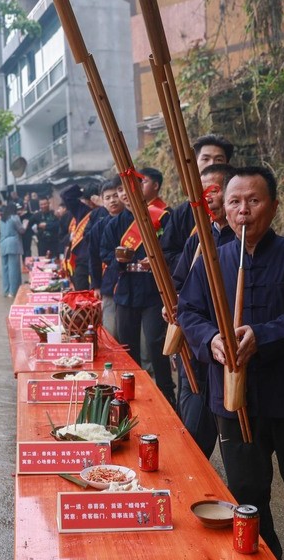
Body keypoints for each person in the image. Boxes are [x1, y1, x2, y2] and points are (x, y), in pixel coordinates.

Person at [178, 166, 284, 560]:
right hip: (235, 403)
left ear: (273, 205)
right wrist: (210, 340)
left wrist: (263, 336)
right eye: (235, 202)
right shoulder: (211, 260)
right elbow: (189, 311)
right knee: (247, 499)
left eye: (254, 201)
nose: (243, 211)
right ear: (223, 208)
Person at [170, 163, 237, 459]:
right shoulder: (198, 237)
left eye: (214, 190)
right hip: (199, 348)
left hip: (233, 351)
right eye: (202, 191)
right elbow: (179, 284)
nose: (207, 197)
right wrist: (172, 305)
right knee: (193, 434)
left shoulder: (245, 240)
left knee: (236, 441)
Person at [100, 170, 177, 408]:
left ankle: (166, 395)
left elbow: (174, 248)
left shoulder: (162, 217)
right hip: (126, 290)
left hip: (154, 290)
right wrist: (117, 259)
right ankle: (130, 396)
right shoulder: (114, 224)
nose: (123, 194)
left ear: (142, 188)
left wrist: (158, 258)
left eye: (129, 188)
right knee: (127, 343)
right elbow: (104, 253)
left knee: (156, 343)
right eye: (120, 190)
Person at [161, 134, 235, 271]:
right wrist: (196, 261)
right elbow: (167, 253)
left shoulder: (238, 208)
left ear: (227, 164)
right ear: (194, 162)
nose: (212, 164)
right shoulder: (183, 212)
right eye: (205, 159)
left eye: (219, 159)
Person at [88, 178, 124, 334]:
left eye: (115, 195)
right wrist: (96, 284)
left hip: (131, 281)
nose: (112, 201)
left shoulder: (133, 222)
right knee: (110, 329)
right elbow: (94, 257)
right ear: (102, 201)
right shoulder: (99, 227)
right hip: (108, 282)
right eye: (108, 198)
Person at [60, 184, 100, 291]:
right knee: (81, 295)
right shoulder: (82, 211)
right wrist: (83, 191)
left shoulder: (106, 211)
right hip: (83, 261)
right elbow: (65, 195)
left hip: (100, 261)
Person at [0, 202, 24, 298]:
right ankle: (13, 291)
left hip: (3, 243)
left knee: (5, 268)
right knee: (13, 268)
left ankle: (6, 290)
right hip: (13, 244)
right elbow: (21, 230)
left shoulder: (2, 219)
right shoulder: (14, 217)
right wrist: (25, 223)